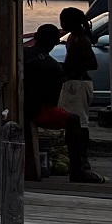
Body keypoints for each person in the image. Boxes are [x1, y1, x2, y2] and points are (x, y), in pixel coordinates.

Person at [57, 15, 103, 184]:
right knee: (73, 124)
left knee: (79, 124)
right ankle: (77, 159)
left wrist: (70, 70)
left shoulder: (81, 40)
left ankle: (82, 160)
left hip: (78, 83)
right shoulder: (73, 37)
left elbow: (92, 63)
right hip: (74, 82)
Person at [22, 24, 67, 182]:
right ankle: (79, 168)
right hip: (36, 111)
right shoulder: (53, 66)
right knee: (74, 121)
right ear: (55, 42)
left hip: (22, 105)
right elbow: (52, 101)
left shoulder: (22, 54)